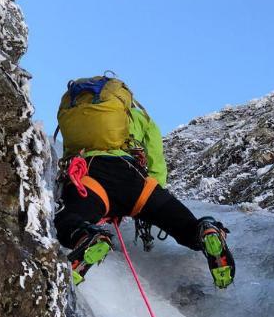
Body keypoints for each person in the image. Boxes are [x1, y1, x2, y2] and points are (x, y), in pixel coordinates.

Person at [53, 75, 234, 288]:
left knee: (67, 221)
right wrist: (154, 200)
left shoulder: (78, 118)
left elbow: (70, 157)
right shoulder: (141, 118)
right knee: (185, 228)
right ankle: (207, 230)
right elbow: (156, 160)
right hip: (135, 179)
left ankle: (87, 235)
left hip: (92, 175)